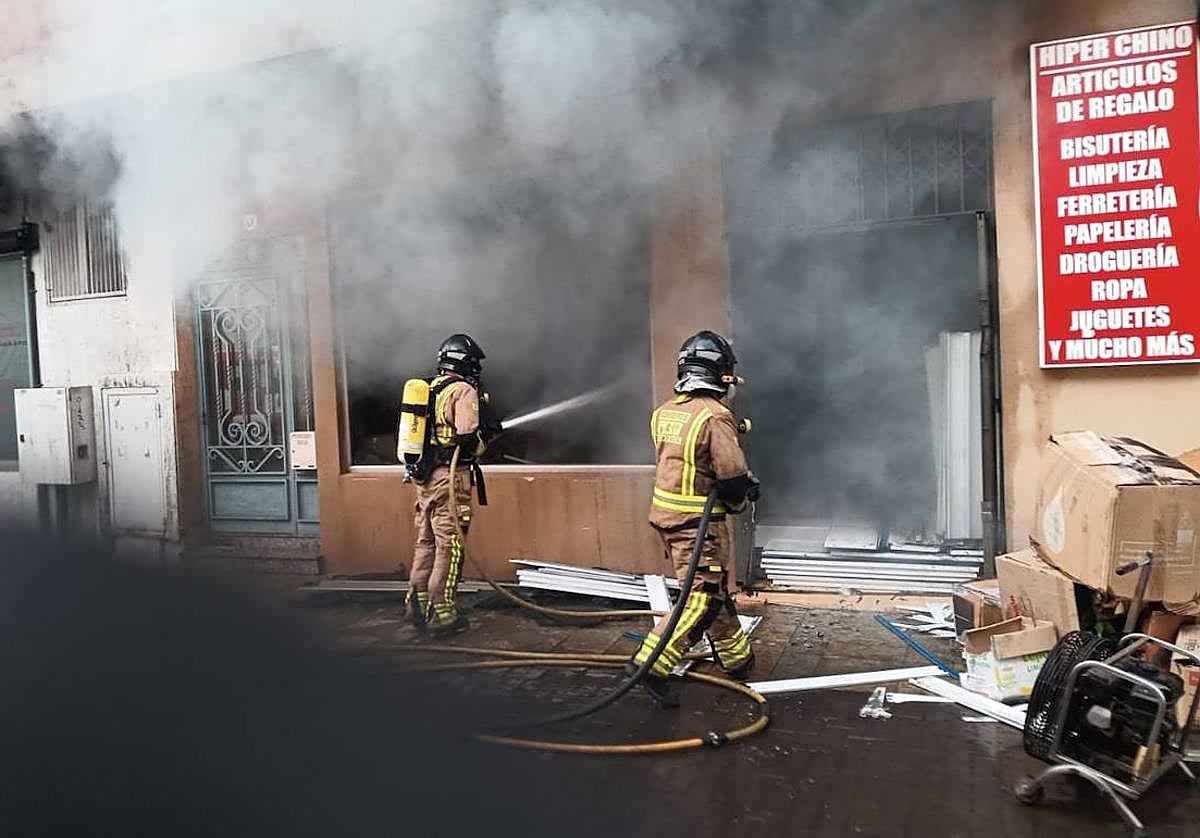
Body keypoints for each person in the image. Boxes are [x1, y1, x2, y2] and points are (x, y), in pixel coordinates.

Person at [626, 330, 760, 707]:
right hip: (698, 524)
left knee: (713, 592)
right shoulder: (716, 417)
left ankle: (738, 662)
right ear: (721, 375)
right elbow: (732, 477)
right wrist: (746, 494)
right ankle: (650, 665)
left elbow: (685, 463)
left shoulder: (666, 412)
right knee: (700, 598)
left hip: (668, 518)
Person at [403, 333, 491, 636]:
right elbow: (468, 440)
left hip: (425, 480)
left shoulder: (429, 389)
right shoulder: (462, 391)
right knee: (450, 546)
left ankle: (416, 603)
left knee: (425, 542)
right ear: (465, 362)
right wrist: (485, 435)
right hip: (450, 479)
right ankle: (443, 615)